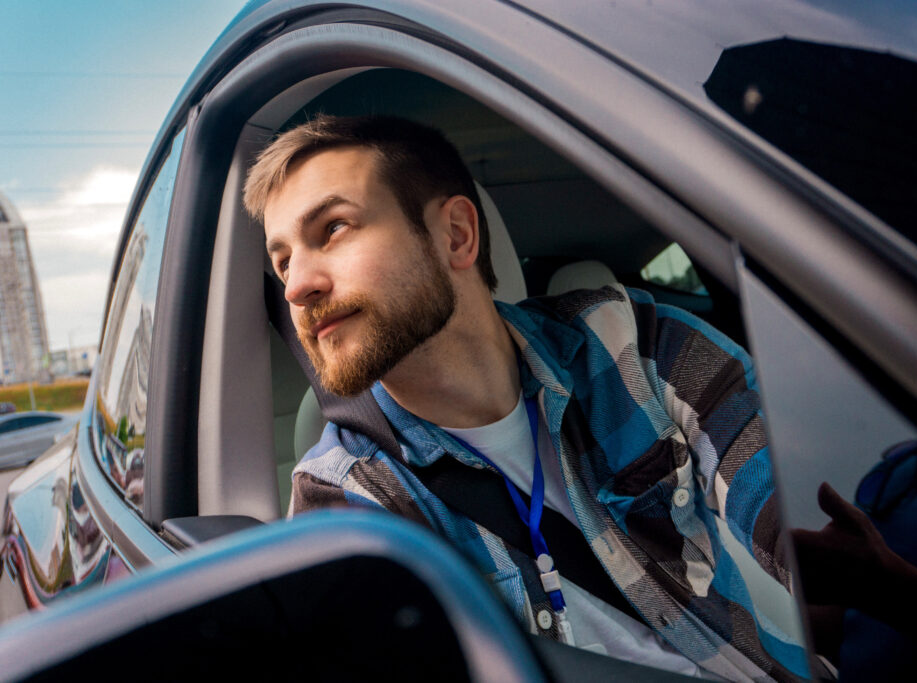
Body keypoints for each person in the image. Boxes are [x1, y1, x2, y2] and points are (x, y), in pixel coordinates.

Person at [243, 114, 804, 682]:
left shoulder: (630, 343)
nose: (296, 287)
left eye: (333, 229)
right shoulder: (346, 499)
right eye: (283, 259)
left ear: (456, 236)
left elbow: (791, 497)